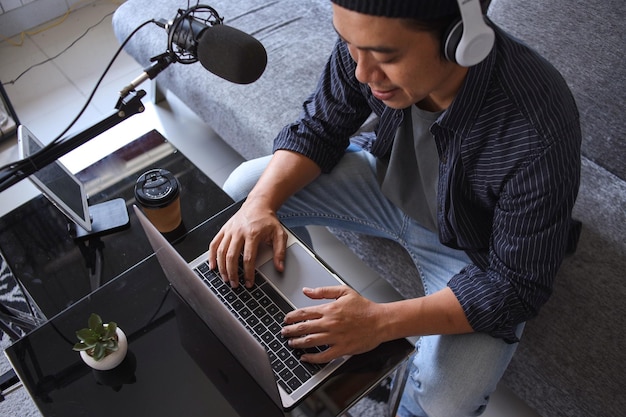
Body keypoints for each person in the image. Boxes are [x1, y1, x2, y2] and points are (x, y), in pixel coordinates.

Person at [208, 0, 581, 415]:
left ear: (461, 41)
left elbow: (514, 287)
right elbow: (320, 127)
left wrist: (378, 322)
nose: (363, 74)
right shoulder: (366, 44)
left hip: (477, 251)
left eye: (386, 57)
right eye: (350, 45)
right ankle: (292, 319)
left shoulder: (537, 128)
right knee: (246, 191)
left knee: (446, 399)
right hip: (381, 185)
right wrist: (260, 204)